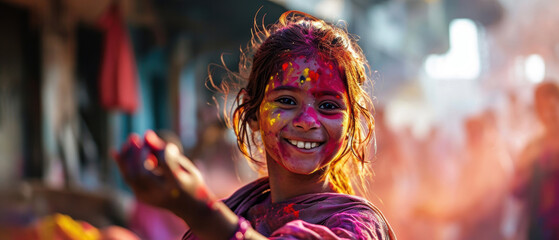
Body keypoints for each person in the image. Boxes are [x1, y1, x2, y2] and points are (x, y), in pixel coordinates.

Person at [115, 10, 396, 240]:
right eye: (286, 101)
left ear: (350, 125)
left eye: (328, 106)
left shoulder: (358, 226)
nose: (307, 122)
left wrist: (200, 211)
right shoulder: (239, 212)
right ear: (252, 114)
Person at [512, 80, 559, 239]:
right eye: (542, 109)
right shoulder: (533, 148)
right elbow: (516, 192)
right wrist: (524, 171)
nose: (547, 115)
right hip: (539, 231)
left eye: (552, 108)